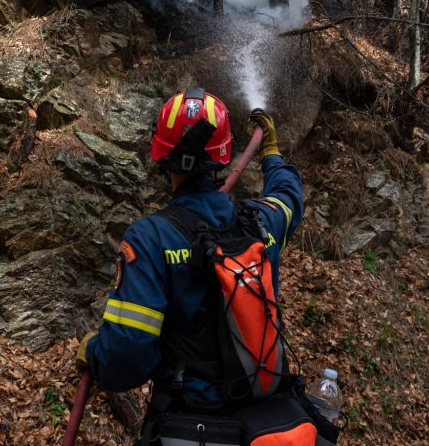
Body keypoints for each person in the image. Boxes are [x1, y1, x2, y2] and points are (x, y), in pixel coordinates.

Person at [76, 86, 305, 434]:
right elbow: (288, 198)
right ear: (224, 154)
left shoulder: (150, 238)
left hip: (189, 428)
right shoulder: (261, 223)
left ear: (162, 154)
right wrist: (270, 154)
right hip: (266, 426)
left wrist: (94, 351)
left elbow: (126, 359)